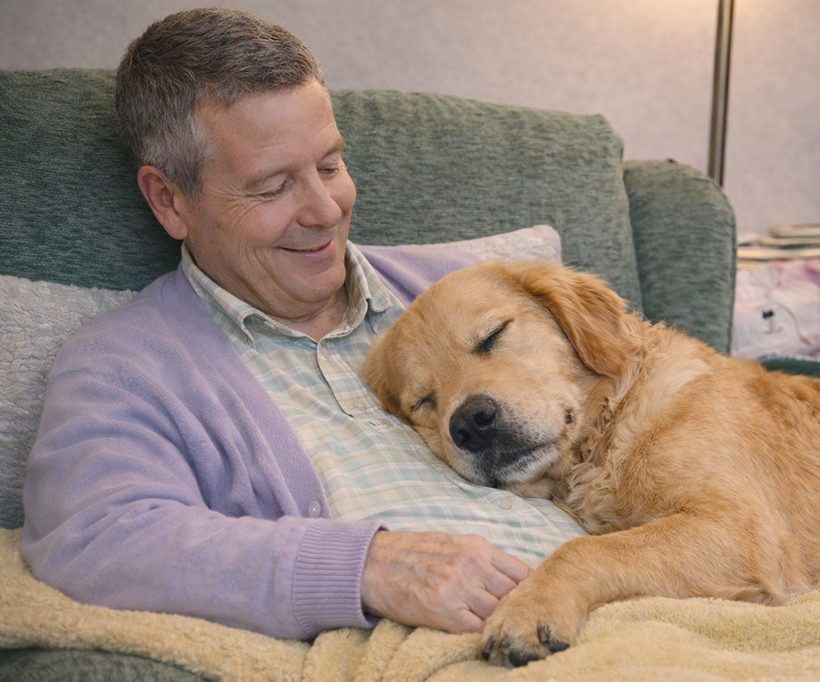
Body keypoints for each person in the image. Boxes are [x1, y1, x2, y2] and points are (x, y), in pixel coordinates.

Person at [20, 7, 584, 640]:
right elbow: (99, 538)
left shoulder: (469, 287)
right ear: (170, 200)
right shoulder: (124, 366)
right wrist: (362, 567)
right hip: (467, 645)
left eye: (329, 165)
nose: (324, 210)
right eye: (271, 186)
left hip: (630, 592)